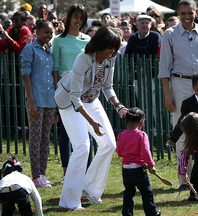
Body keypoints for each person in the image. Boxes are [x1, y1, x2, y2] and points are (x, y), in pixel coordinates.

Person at [55, 26, 127, 210]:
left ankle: (90, 189)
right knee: (82, 147)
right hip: (70, 101)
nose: (112, 52)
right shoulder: (83, 59)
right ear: (99, 45)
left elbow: (107, 87)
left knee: (109, 144)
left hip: (91, 100)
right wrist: (92, 122)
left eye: (114, 48)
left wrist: (118, 106)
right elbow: (75, 96)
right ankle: (69, 202)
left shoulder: (111, 59)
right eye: (109, 47)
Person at [158, 0, 198, 190]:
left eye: (190, 13)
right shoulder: (169, 34)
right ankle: (184, 179)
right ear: (178, 12)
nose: (186, 16)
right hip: (180, 84)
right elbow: (164, 68)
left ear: (196, 12)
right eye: (183, 13)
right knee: (182, 131)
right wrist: (168, 95)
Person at [52, 4, 92, 182]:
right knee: (66, 133)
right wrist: (56, 95)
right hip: (65, 90)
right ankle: (67, 173)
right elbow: (55, 69)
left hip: (84, 90)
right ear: (68, 18)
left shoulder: (88, 41)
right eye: (76, 17)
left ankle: (87, 173)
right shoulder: (58, 41)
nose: (78, 21)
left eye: (81, 18)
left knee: (87, 132)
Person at [21, 20, 57, 188]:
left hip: (50, 101)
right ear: (37, 32)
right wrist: (32, 102)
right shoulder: (30, 49)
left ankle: (42, 174)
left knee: (45, 139)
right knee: (35, 139)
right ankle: (36, 176)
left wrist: (56, 104)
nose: (49, 36)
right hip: (36, 101)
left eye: (51, 33)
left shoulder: (50, 50)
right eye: (46, 33)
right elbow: (25, 76)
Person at [116, 107, 161, 216]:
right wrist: (151, 165)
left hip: (126, 169)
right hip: (138, 169)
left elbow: (119, 151)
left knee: (128, 192)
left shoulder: (121, 135)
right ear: (141, 124)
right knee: (146, 191)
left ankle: (127, 213)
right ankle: (152, 213)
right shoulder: (142, 135)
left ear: (126, 122)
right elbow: (146, 151)